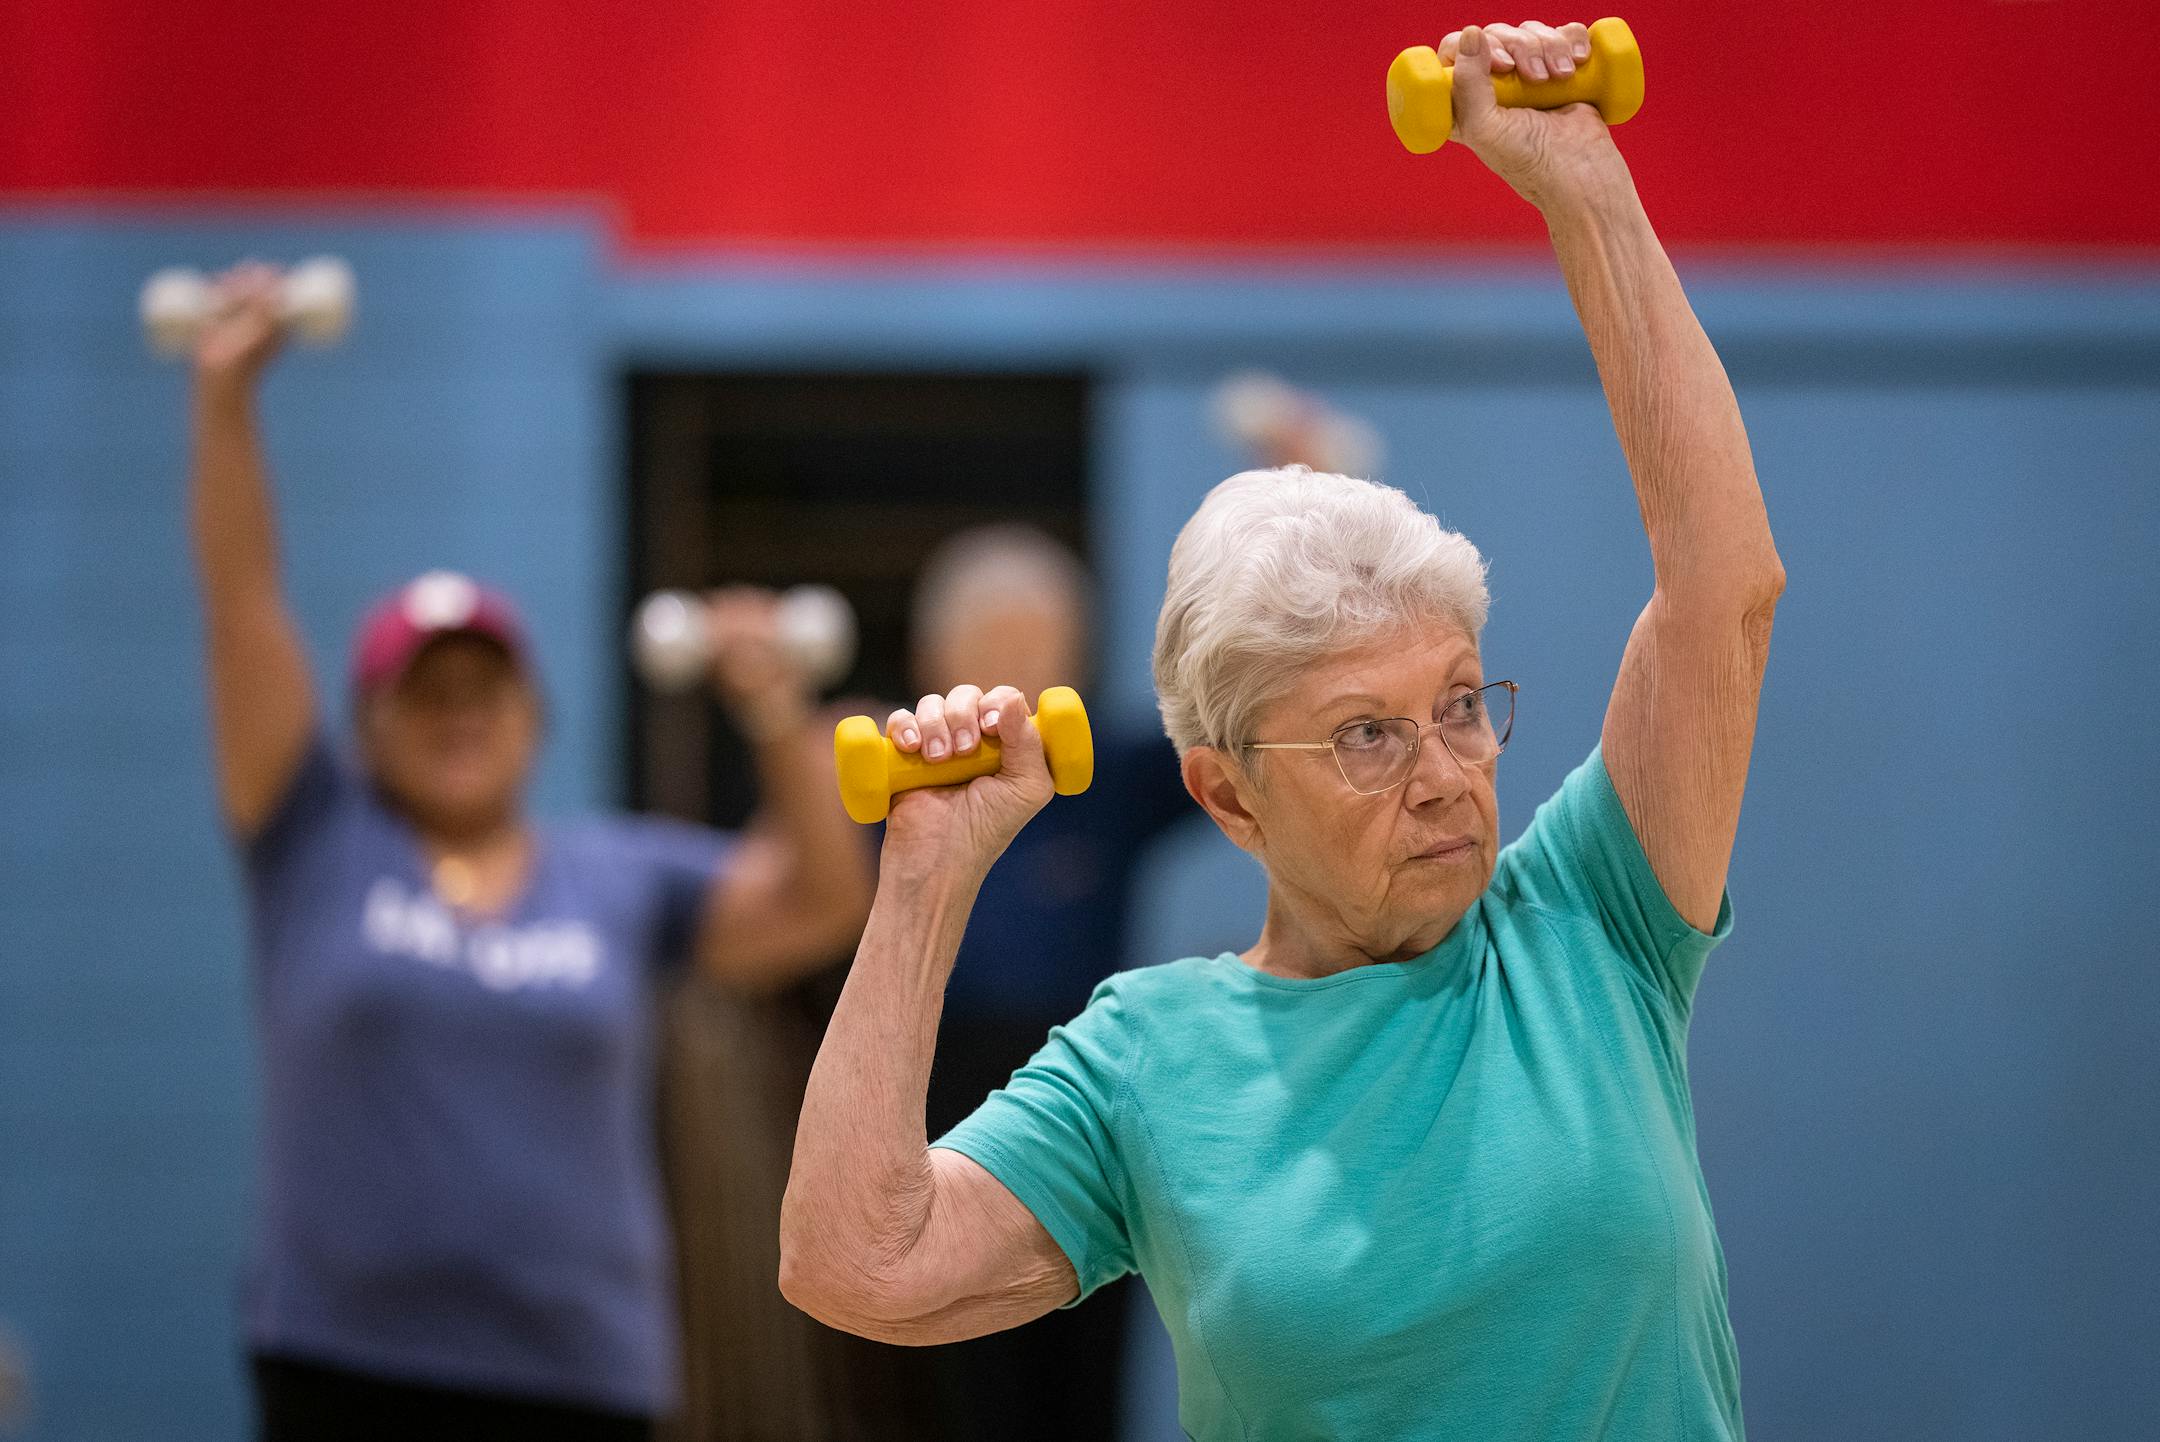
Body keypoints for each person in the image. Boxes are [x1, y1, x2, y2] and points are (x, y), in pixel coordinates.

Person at [779, 21, 1783, 1441]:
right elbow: (850, 1263)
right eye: (1368, 737)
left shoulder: (1591, 923)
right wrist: (930, 873)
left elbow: (1723, 592)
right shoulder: (1152, 1059)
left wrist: (1584, 189)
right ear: (1227, 795)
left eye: (1458, 707)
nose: (1446, 775)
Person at [185, 266, 873, 1440]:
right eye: (426, 692)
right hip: (343, 1362)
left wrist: (773, 706)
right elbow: (244, 605)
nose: (460, 714)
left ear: (535, 719)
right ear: (366, 727)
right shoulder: (314, 841)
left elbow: (820, 901)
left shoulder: (615, 876)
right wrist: (223, 404)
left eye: (486, 690)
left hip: (575, 1374)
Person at [907, 526, 1196, 1441]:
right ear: (938, 656)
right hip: (941, 1099)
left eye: (1042, 646)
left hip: (1086, 1099)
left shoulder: (1103, 776)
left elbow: (1231, 720)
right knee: (956, 1369)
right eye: (995, 645)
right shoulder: (900, 773)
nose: (1020, 670)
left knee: (1083, 1363)